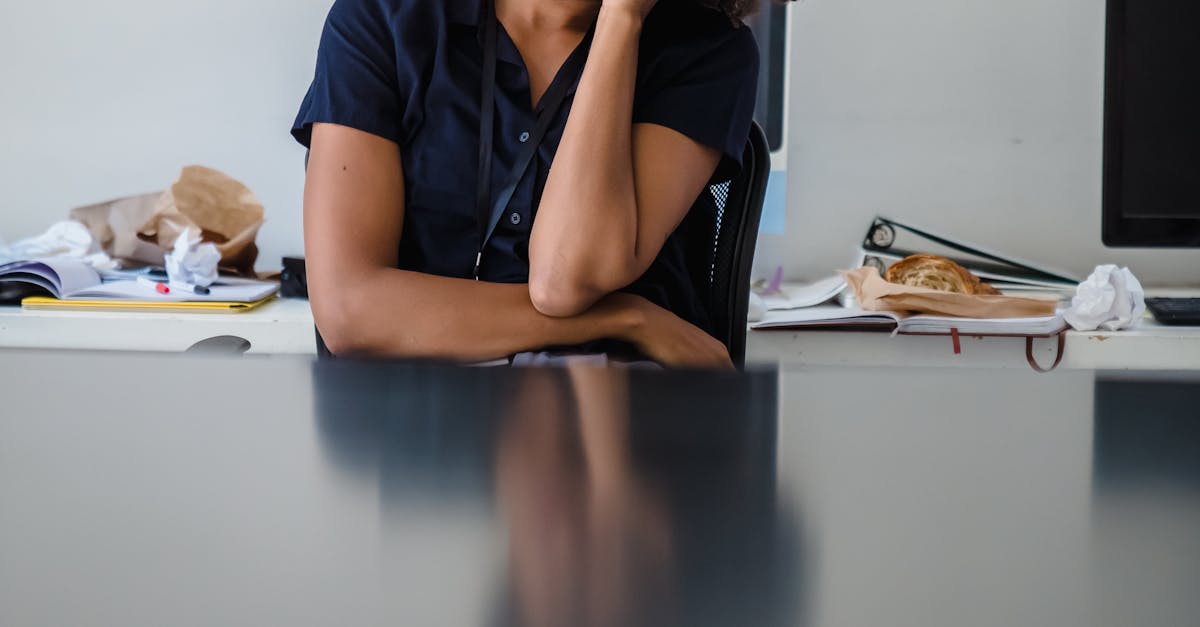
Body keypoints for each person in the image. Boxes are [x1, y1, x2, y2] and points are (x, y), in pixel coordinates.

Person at [293, 0, 761, 368]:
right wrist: (631, 317)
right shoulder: (383, 17)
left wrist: (621, 18)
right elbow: (350, 310)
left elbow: (567, 279)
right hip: (432, 414)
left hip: (617, 416)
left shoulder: (707, 49)